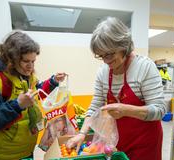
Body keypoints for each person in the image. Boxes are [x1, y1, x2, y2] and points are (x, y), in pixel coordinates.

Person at [66, 17, 166, 160]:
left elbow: (160, 110)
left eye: (110, 54)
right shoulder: (103, 72)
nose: (106, 61)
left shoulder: (144, 67)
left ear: (123, 45)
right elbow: (95, 106)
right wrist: (82, 133)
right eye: (101, 56)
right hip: (119, 142)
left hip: (145, 143)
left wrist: (126, 110)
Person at [0, 31, 66, 160]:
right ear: (10, 59)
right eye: (25, 61)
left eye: (33, 61)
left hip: (25, 149)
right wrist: (17, 105)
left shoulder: (27, 76)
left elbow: (37, 92)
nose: (30, 66)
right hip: (1, 155)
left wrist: (53, 82)